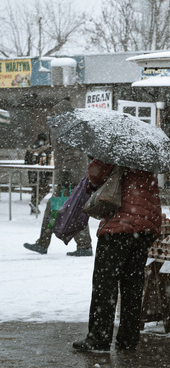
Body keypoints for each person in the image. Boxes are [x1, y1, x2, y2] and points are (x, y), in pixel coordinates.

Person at [72, 160, 161, 352]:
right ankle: (128, 338)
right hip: (145, 225)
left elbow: (95, 175)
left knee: (105, 284)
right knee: (132, 284)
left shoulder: (117, 152)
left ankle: (99, 337)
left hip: (119, 224)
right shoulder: (146, 154)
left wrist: (100, 159)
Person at [24, 99, 94, 256]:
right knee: (71, 209)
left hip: (69, 177)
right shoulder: (71, 127)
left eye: (56, 112)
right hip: (69, 176)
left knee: (58, 208)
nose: (54, 115)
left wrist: (66, 175)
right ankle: (82, 245)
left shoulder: (68, 128)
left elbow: (72, 154)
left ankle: (46, 243)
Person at [24, 132, 52, 214]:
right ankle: (35, 204)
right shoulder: (47, 149)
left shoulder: (31, 147)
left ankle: (34, 208)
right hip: (44, 173)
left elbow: (26, 161)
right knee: (45, 189)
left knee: (35, 190)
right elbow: (49, 161)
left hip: (33, 173)